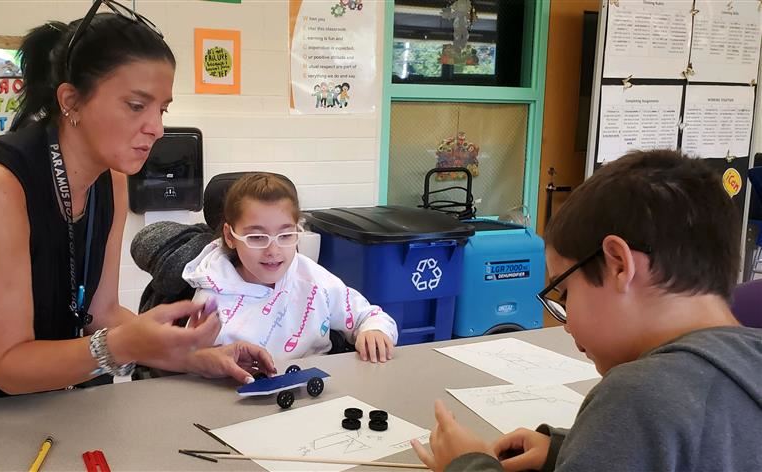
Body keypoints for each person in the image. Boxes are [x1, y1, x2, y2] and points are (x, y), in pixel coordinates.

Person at [0, 1, 274, 418]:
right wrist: (123, 346)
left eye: (162, 108)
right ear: (70, 100)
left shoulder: (110, 178)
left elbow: (100, 314)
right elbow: (9, 364)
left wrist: (192, 356)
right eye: (136, 106)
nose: (156, 128)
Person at [410, 150, 762, 471]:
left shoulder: (637, 396)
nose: (566, 323)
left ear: (619, 265)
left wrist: (468, 464)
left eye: (564, 292)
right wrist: (567, 450)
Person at [182, 173, 398, 363]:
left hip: (316, 390)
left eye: (286, 235)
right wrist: (199, 356)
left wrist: (374, 330)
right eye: (257, 237)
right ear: (230, 236)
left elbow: (368, 316)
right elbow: (191, 364)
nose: (273, 250)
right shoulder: (211, 298)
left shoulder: (309, 276)